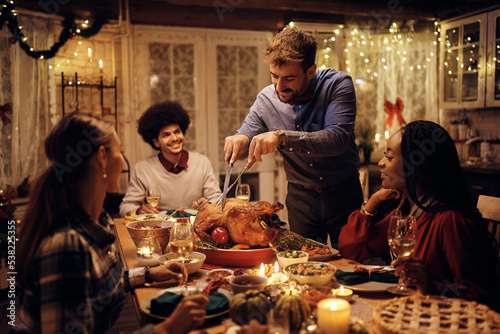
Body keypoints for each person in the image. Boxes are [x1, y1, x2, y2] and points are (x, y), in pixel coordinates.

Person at [14, 114, 209, 334]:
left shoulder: (98, 220)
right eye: (120, 150)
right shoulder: (67, 246)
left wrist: (149, 274)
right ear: (102, 157)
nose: (122, 158)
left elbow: (98, 283)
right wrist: (167, 328)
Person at [339, 120, 500, 311]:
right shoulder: (408, 212)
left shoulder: (449, 220)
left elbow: (481, 299)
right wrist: (374, 201)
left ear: (417, 167)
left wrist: (433, 287)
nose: (381, 163)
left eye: (390, 158)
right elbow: (352, 250)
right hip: (411, 310)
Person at [224, 27, 363, 247]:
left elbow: (336, 139)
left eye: (289, 78)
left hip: (344, 195)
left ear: (311, 71)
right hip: (300, 200)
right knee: (302, 265)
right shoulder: (266, 99)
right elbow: (246, 134)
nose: (279, 87)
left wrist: (281, 137)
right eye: (274, 76)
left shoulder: (337, 85)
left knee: (352, 263)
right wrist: (239, 140)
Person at [119, 101, 221, 216]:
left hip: (194, 228)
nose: (174, 138)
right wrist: (139, 210)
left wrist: (209, 203)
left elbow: (217, 199)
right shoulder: (143, 168)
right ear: (156, 142)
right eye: (166, 135)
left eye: (177, 132)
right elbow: (125, 208)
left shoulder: (202, 162)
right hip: (159, 228)